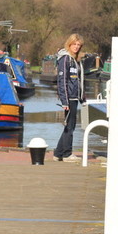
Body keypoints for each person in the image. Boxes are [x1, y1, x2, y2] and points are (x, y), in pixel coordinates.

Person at [53, 33, 86, 162]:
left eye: (79, 45)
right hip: (69, 98)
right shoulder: (65, 59)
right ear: (69, 44)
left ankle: (58, 153)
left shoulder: (75, 60)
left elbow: (78, 80)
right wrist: (64, 101)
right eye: (74, 44)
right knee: (70, 126)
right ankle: (67, 154)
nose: (77, 47)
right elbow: (62, 81)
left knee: (70, 125)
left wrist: (82, 96)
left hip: (74, 97)